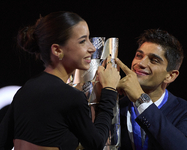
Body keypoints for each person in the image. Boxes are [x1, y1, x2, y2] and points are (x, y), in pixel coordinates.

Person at [0, 11, 120, 150]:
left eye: (88, 39)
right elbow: (96, 144)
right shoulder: (70, 97)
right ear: (57, 50)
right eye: (82, 41)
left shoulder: (24, 91)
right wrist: (109, 91)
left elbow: (3, 142)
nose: (92, 48)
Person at [115, 29, 187, 150]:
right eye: (139, 56)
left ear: (170, 76)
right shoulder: (117, 107)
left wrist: (140, 98)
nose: (141, 63)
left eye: (154, 60)